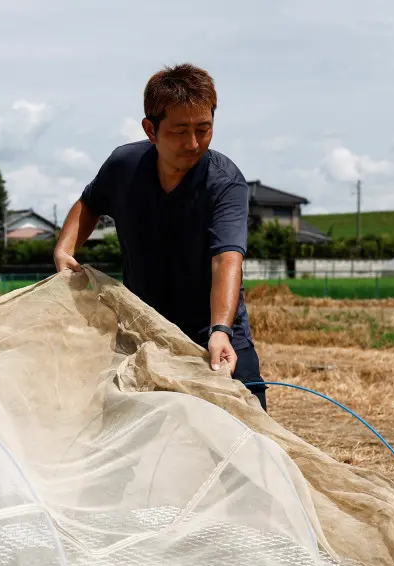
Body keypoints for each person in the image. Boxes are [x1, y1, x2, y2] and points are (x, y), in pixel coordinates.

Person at [53, 63, 267, 410]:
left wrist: (220, 331)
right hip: (144, 331)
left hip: (213, 333)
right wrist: (65, 249)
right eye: (180, 130)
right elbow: (90, 202)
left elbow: (226, 259)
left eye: (204, 129)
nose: (194, 143)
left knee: (247, 434)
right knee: (135, 434)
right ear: (150, 129)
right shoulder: (125, 166)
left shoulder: (224, 183)